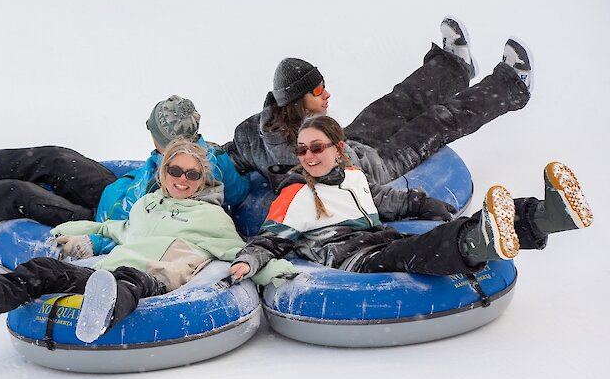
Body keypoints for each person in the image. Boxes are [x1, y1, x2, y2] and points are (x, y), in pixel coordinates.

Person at [0, 139, 293, 343]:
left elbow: (239, 250)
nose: (182, 179)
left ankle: (99, 317)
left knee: (125, 283)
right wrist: (79, 231)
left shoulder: (212, 217)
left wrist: (278, 271)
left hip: (155, 275)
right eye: (175, 170)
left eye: (191, 174)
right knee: (43, 270)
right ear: (163, 173)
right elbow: (118, 231)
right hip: (105, 269)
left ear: (202, 180)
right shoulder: (146, 205)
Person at [228, 116, 592, 282]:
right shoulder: (296, 195)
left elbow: (386, 201)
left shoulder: (354, 178)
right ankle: (482, 240)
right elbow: (269, 240)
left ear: (338, 149)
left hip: (382, 243)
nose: (308, 155)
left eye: (317, 147)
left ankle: (547, 216)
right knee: (424, 249)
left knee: (429, 238)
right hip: (356, 262)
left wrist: (422, 204)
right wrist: (246, 262)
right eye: (302, 149)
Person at [0, 95, 250, 254]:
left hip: (100, 220)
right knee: (56, 158)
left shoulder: (184, 173)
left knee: (18, 195)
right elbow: (238, 186)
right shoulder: (195, 152)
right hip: (116, 192)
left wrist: (212, 180)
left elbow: (145, 231)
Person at [223, 17, 533, 193]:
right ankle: (512, 86)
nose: (327, 95)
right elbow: (355, 191)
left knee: (395, 104)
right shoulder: (310, 163)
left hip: (349, 143)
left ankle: (453, 67)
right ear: (295, 101)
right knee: (439, 121)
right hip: (377, 166)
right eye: (318, 90)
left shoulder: (256, 130)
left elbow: (227, 156)